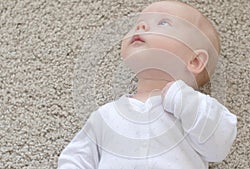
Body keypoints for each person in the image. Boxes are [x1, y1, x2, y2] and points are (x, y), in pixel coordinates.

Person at [58, 1, 237, 168]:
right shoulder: (106, 115)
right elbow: (76, 157)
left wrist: (186, 102)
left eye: (164, 23)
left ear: (195, 61)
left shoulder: (199, 109)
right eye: (138, 22)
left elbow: (217, 147)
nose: (140, 26)